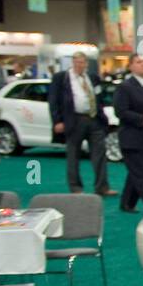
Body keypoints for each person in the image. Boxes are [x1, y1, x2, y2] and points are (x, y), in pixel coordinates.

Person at [48, 52, 116, 196]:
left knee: (100, 155)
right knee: (73, 156)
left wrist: (102, 115)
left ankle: (102, 187)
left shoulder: (92, 77)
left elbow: (99, 97)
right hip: (73, 121)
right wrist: (57, 121)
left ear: (86, 63)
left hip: (94, 119)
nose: (80, 65)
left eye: (83, 62)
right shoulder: (62, 78)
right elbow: (53, 101)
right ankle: (76, 188)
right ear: (73, 63)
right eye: (77, 62)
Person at [112, 53, 143, 213]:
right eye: (139, 62)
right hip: (132, 138)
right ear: (131, 66)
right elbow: (121, 111)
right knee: (142, 175)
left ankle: (127, 203)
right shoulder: (125, 87)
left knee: (137, 173)